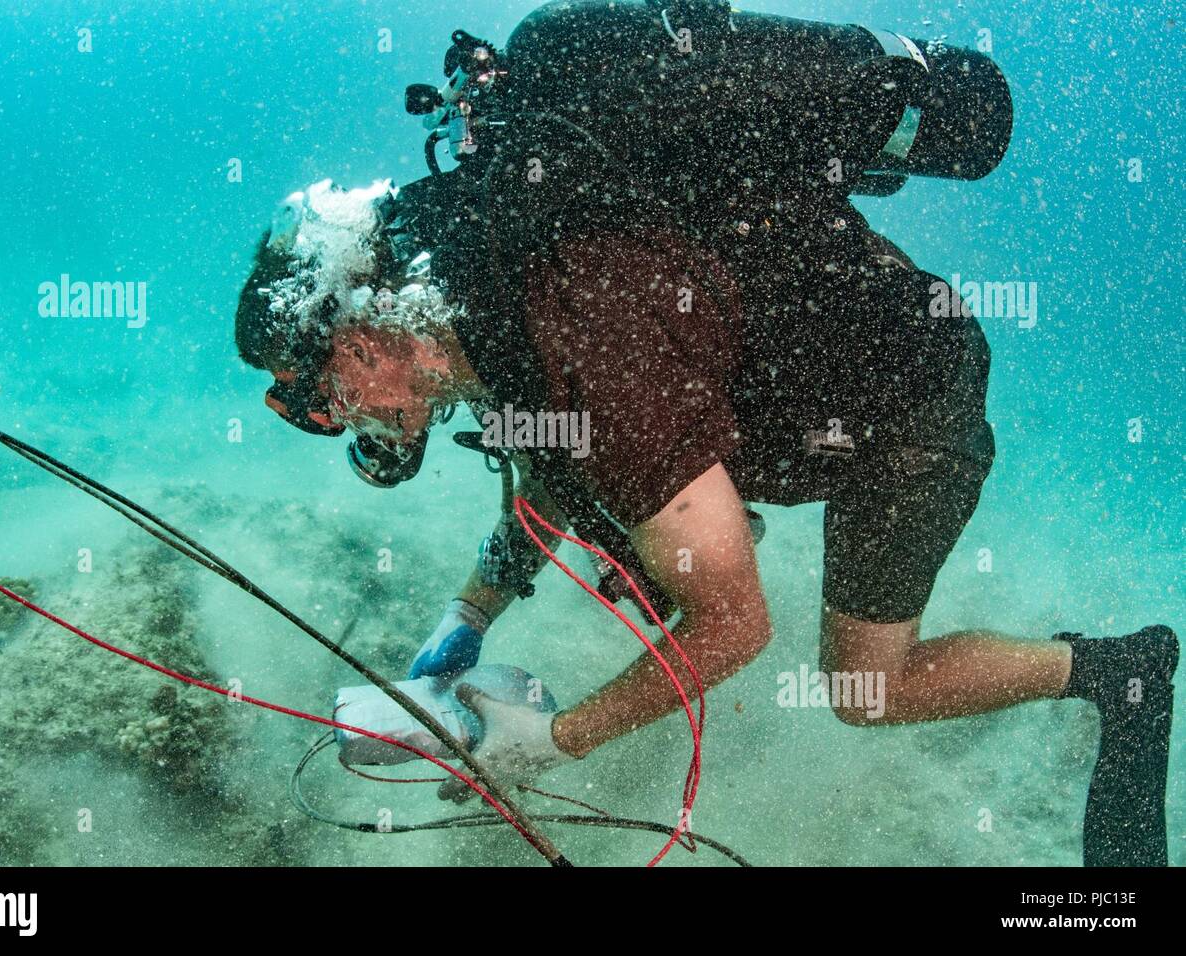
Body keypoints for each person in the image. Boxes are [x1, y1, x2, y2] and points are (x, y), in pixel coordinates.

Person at [234, 171, 1176, 866]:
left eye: (316, 398)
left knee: (866, 692)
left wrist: (554, 741)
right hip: (793, 394)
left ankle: (1124, 673)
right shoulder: (478, 310)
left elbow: (733, 629)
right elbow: (553, 468)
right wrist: (470, 616)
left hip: (905, 402)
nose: (338, 426)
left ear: (360, 341)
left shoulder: (593, 347)